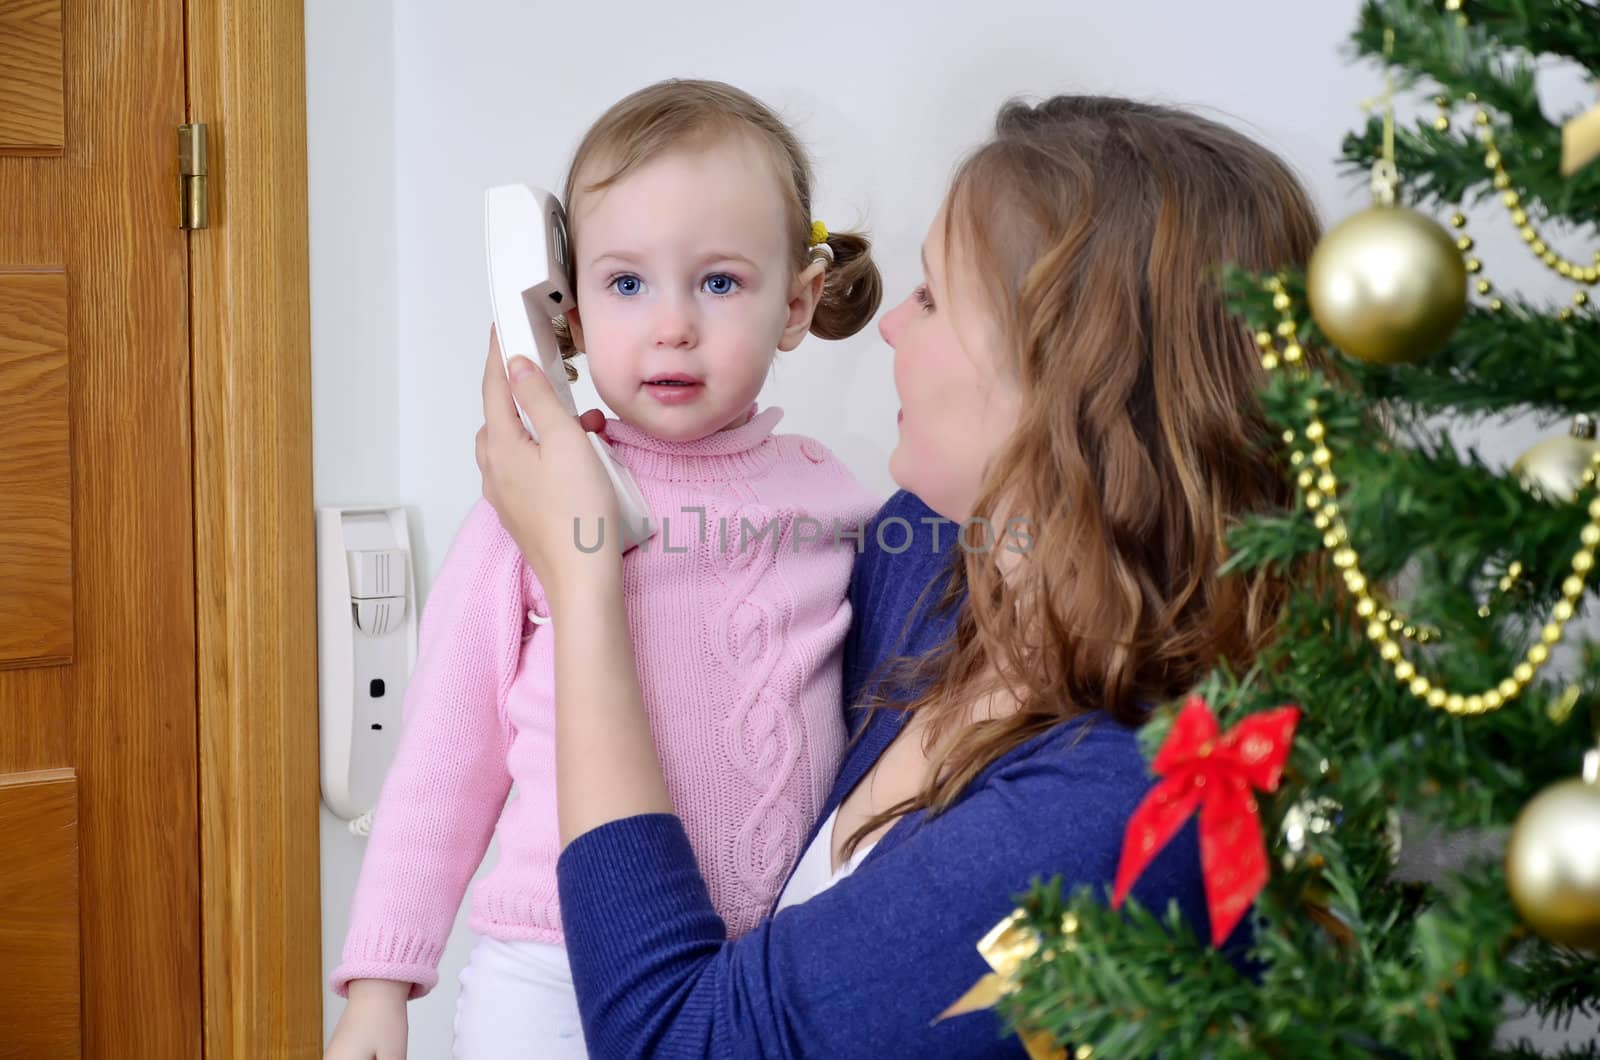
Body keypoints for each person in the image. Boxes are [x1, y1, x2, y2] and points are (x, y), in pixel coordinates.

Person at [475, 94, 1324, 1057]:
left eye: (931, 298)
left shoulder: (1117, 811)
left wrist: (581, 578)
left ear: (1065, 382)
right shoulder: (930, 556)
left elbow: (681, 1041)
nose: (887, 327)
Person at [325, 79, 886, 1060]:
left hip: (749, 977)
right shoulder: (537, 499)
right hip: (548, 973)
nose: (671, 325)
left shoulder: (830, 496)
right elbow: (442, 758)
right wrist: (380, 984)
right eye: (626, 284)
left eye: (718, 282)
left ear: (795, 302)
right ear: (565, 311)